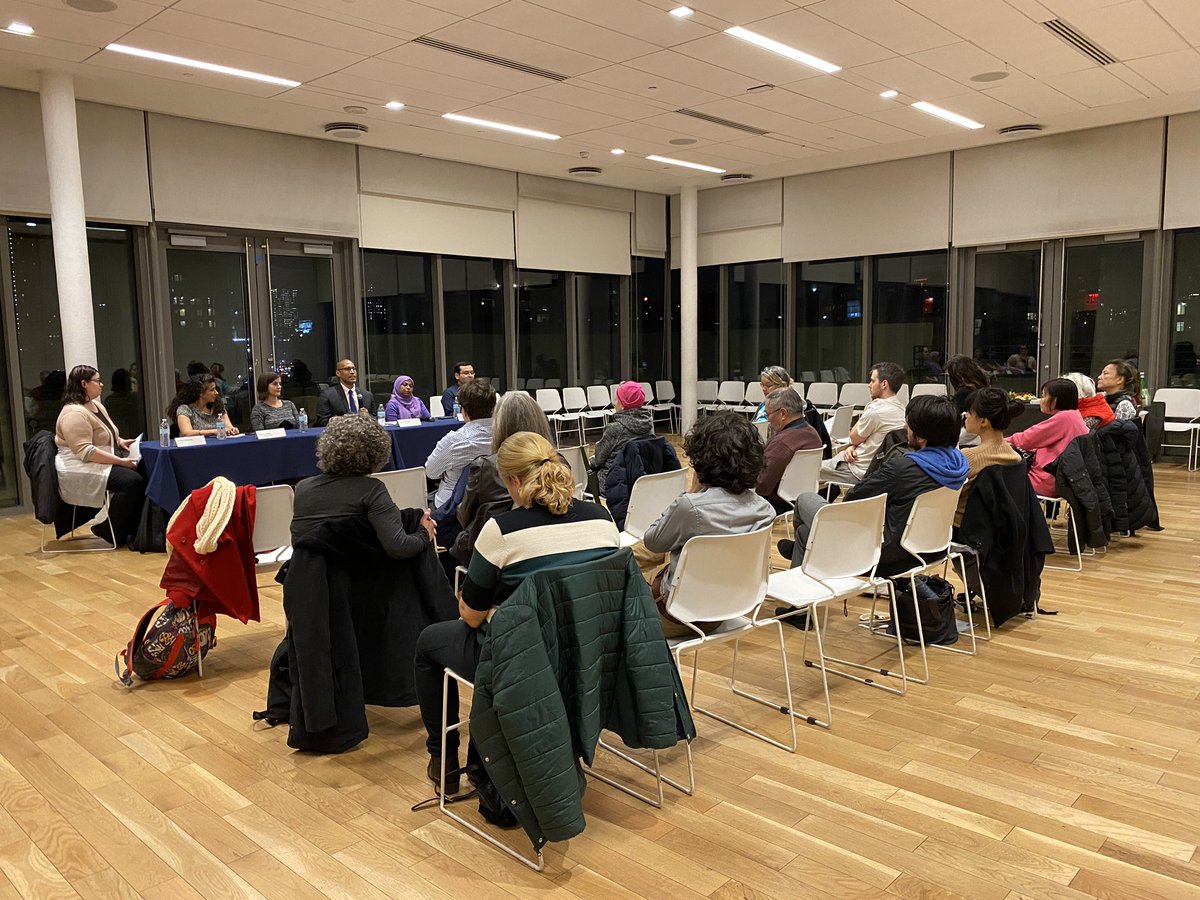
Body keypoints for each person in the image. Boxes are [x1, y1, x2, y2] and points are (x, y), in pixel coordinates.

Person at [413, 431, 619, 791]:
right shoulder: (602, 520)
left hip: (523, 661)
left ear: (512, 481)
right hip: (589, 652)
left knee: (429, 644)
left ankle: (443, 760)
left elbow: (471, 617)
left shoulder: (502, 531)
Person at [780, 395, 969, 589]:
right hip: (932, 547)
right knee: (804, 533)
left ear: (921, 437)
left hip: (886, 553)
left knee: (804, 499)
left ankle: (804, 555)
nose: (904, 427)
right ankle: (800, 574)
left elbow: (852, 498)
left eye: (909, 424)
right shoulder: (959, 464)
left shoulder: (903, 468)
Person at [643, 412, 776, 638]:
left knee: (629, 567)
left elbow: (652, 541)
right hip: (730, 606)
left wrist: (692, 492)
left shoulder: (691, 507)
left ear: (702, 459)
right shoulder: (764, 510)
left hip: (678, 615)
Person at [291, 414, 436, 549]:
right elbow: (399, 547)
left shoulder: (303, 488)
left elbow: (299, 541)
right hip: (353, 566)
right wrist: (424, 532)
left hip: (308, 565)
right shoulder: (372, 490)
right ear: (377, 453)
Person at [451, 392, 552, 565]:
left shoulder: (486, 466)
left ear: (499, 425)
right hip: (547, 545)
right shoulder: (556, 461)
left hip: (493, 552)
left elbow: (465, 515)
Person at [54, 365, 146, 545]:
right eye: (97, 381)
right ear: (84, 384)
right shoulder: (73, 413)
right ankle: (110, 529)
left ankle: (132, 528)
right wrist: (121, 461)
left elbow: (105, 432)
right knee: (132, 482)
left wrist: (119, 441)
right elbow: (85, 452)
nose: (101, 384)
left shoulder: (95, 405)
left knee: (142, 472)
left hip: (96, 461)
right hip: (79, 467)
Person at [820, 362, 907, 485]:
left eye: (872, 381)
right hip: (878, 470)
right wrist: (852, 446)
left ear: (884, 384)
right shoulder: (902, 410)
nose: (869, 385)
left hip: (857, 470)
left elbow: (853, 438)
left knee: (807, 469)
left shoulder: (875, 411)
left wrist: (869, 406)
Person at [1007, 378, 1089, 497]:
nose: (1041, 400)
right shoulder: (1074, 415)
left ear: (1056, 399)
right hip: (1061, 479)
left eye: (1044, 396)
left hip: (1045, 481)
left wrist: (999, 440)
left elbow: (1027, 438)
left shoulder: (1064, 418)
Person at [955, 387, 1024, 525]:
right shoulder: (1016, 456)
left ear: (983, 421)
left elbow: (950, 495)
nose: (965, 415)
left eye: (969, 412)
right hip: (1000, 526)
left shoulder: (969, 457)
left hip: (963, 525)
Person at [425, 378, 496, 508]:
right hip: (494, 502)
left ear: (463, 411)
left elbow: (431, 472)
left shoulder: (454, 441)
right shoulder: (505, 435)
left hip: (452, 508)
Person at [755, 387, 822, 513]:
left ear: (783, 413)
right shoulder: (812, 433)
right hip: (803, 498)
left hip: (776, 503)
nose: (768, 419)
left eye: (768, 414)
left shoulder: (782, 443)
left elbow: (762, 486)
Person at [590, 381, 652, 497]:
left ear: (623, 404)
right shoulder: (648, 425)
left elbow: (598, 460)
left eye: (616, 400)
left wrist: (591, 460)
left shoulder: (615, 429)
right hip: (641, 482)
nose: (614, 404)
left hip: (615, 484)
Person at [168, 374, 240, 437]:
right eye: (212, 390)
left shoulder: (218, 406)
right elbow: (187, 433)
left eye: (215, 389)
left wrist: (233, 430)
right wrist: (213, 431)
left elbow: (228, 426)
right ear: (200, 393)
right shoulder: (185, 409)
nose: (216, 393)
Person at [314, 359, 376, 426]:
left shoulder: (367, 395)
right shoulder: (328, 395)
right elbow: (321, 420)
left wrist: (368, 417)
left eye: (354, 369)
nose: (352, 372)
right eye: (347, 369)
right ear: (338, 373)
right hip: (339, 431)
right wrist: (336, 420)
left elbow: (376, 419)